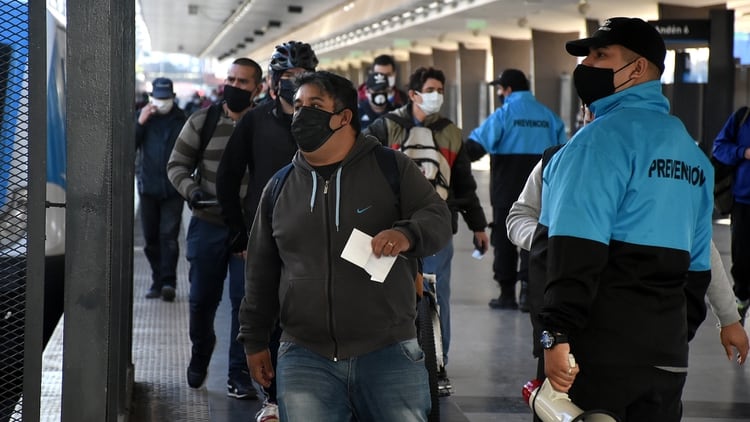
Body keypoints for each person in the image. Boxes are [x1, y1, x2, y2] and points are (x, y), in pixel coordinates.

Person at [238, 70, 452, 421]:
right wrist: (255, 340)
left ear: (343, 117)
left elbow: (438, 218)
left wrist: (407, 234)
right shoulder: (280, 188)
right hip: (305, 355)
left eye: (315, 105)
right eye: (299, 105)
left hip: (389, 351)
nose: (301, 113)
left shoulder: (391, 168)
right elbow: (260, 271)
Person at [537, 18, 714, 421]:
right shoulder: (692, 154)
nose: (586, 65)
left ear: (636, 69)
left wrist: (557, 334)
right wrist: (667, 339)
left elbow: (574, 252)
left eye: (601, 55)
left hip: (595, 358)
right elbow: (698, 270)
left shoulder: (598, 142)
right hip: (667, 360)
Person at [506, 146, 748, 390]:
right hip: (573, 333)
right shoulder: (558, 160)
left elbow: (700, 241)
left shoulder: (662, 168)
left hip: (649, 341)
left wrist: (728, 317)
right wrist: (557, 243)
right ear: (587, 112)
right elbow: (519, 217)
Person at [364, 66, 489, 394]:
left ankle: (437, 365)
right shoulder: (385, 127)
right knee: (388, 294)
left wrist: (478, 225)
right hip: (390, 227)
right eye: (432, 89)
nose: (438, 96)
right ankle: (388, 359)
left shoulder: (451, 133)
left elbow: (463, 184)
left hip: (437, 228)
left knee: (435, 295)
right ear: (414, 93)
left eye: (441, 89)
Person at [216, 41, 318, 422]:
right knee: (263, 315)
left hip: (316, 235)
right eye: (287, 77)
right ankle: (273, 396)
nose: (294, 83)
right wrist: (239, 233)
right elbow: (227, 177)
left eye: (302, 77)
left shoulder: (327, 118)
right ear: (274, 82)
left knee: (308, 314)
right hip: (266, 238)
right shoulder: (255, 121)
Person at [166, 58, 263, 398]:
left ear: (258, 89)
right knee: (202, 300)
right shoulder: (202, 121)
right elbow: (177, 164)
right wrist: (191, 192)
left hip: (249, 232)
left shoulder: (263, 127)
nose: (235, 87)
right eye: (231, 80)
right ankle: (201, 351)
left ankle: (238, 373)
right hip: (207, 226)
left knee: (245, 302)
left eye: (243, 82)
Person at [464, 69, 566, 312]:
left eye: (500, 89)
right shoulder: (549, 117)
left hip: (507, 188)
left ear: (507, 89)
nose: (500, 93)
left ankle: (507, 294)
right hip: (542, 189)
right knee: (535, 236)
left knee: (505, 239)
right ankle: (528, 295)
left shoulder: (504, 114)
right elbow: (563, 152)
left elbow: (475, 147)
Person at [135, 77, 186, 301]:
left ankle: (168, 283)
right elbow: (129, 146)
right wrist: (140, 122)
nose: (162, 102)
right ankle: (156, 280)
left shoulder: (182, 119)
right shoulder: (144, 119)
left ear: (173, 98)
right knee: (151, 239)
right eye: (158, 98)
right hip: (148, 188)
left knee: (169, 237)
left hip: (173, 189)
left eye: (165, 98)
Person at [713, 108, 750, 325]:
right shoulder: (742, 118)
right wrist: (743, 152)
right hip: (744, 202)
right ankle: (742, 298)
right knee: (742, 259)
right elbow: (719, 148)